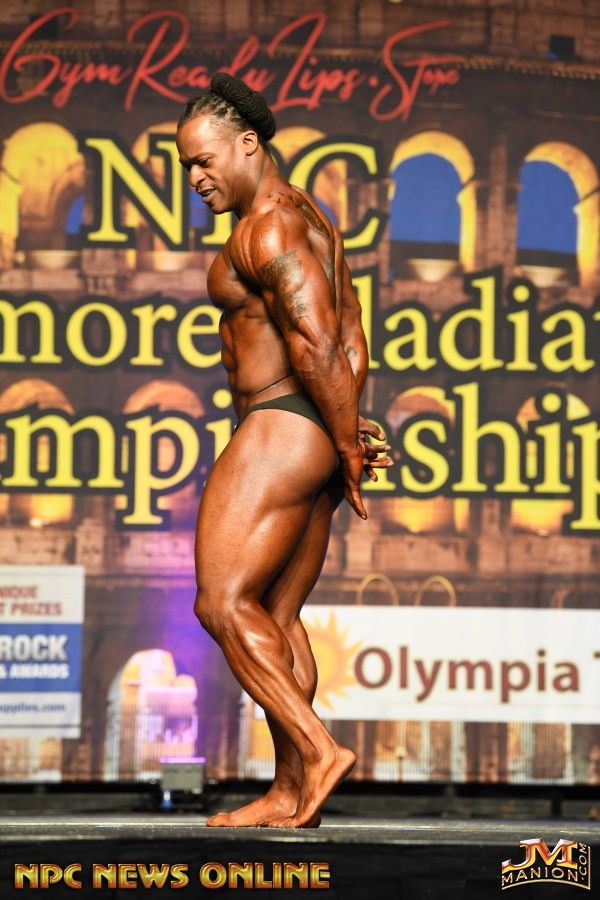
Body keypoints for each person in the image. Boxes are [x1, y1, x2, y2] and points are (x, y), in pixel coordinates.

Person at [176, 73, 392, 828]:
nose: (196, 178)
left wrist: (342, 438)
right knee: (275, 612)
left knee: (221, 602)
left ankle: (319, 751)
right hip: (310, 429)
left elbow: (317, 340)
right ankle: (291, 790)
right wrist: (344, 430)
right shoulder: (308, 216)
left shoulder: (265, 228)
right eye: (187, 167)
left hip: (280, 425)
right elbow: (353, 333)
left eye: (204, 161)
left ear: (247, 144)